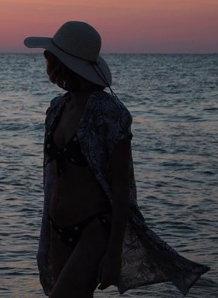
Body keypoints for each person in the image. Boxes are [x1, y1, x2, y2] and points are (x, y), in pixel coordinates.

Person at [24, 21, 209, 297]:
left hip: (93, 228)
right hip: (57, 227)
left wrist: (113, 253)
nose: (44, 57)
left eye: (49, 53)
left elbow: (122, 188)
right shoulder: (58, 107)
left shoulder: (109, 112)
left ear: (61, 61)